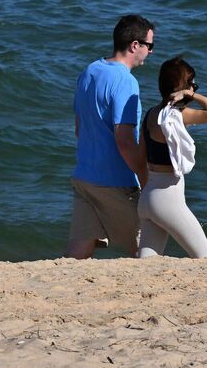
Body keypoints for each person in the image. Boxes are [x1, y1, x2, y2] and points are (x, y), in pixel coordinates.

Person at [65, 14, 155, 259]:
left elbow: (78, 128)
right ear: (135, 45)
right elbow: (124, 140)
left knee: (78, 252)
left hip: (84, 176)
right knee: (146, 244)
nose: (151, 52)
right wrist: (145, 179)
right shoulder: (126, 81)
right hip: (114, 182)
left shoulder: (90, 71)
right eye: (150, 46)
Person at [137, 56, 207, 258]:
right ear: (182, 87)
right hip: (168, 199)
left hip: (148, 197)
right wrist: (190, 95)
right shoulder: (179, 115)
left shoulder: (151, 114)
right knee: (205, 258)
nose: (194, 88)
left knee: (145, 266)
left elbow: (139, 157)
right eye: (192, 84)